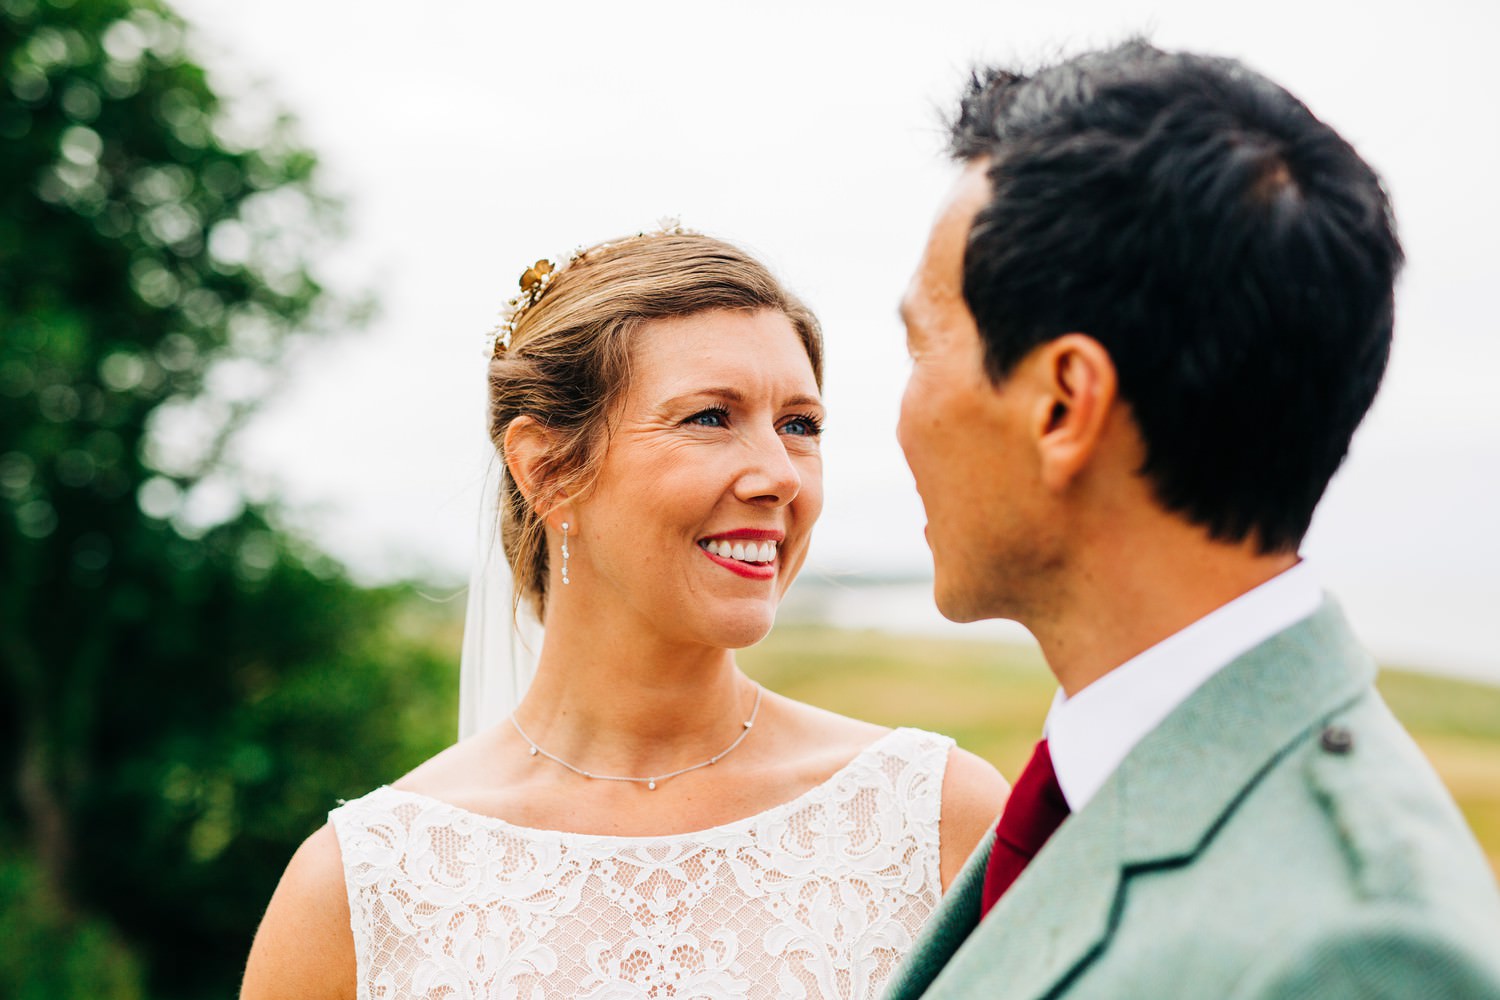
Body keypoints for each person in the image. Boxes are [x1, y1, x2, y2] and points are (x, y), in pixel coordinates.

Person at [241, 230, 1009, 1000]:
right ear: (546, 471)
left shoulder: (938, 823)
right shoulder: (362, 887)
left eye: (800, 425)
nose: (779, 474)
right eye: (711, 417)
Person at [883, 41, 1500, 1000]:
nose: (900, 422)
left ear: (1062, 405)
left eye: (922, 349)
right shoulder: (1086, 786)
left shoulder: (1354, 951)